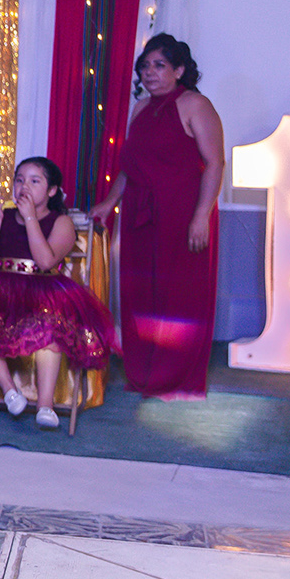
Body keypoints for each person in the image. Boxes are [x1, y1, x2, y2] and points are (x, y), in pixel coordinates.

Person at [90, 34, 224, 399]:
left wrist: (201, 216)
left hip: (183, 211)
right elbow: (130, 166)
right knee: (141, 291)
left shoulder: (195, 104)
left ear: (179, 70)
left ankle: (176, 375)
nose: (149, 72)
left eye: (159, 65)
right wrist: (109, 202)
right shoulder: (140, 108)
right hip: (140, 211)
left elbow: (215, 163)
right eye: (145, 66)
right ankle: (145, 372)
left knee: (179, 293)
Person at [0, 156, 116, 429]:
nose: (24, 186)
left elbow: (45, 261)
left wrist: (31, 217)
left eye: (35, 181)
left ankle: (45, 405)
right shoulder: (5, 217)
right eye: (20, 180)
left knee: (49, 324)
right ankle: (10, 391)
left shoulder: (61, 222)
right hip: (1, 287)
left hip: (43, 288)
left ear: (52, 190)